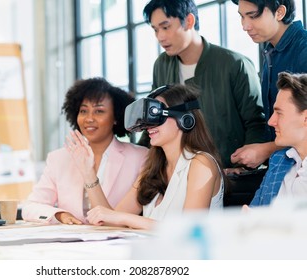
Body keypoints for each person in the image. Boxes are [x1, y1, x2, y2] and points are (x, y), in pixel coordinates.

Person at [67, 84, 224, 230]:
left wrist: (125, 219)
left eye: (155, 115)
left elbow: (189, 231)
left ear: (184, 119)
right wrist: (88, 173)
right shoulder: (152, 169)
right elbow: (109, 221)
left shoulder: (201, 164)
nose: (149, 125)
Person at [141, 0, 266, 172]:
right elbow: (153, 118)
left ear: (189, 21)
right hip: (175, 173)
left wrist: (242, 167)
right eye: (155, 30)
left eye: (166, 27)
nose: (160, 37)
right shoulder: (161, 65)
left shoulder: (235, 65)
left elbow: (256, 124)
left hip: (227, 174)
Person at [21, 77, 148, 224]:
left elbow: (117, 221)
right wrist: (60, 215)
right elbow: (30, 207)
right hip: (70, 243)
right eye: (83, 111)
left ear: (116, 117)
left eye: (99, 111)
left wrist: (89, 174)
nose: (89, 118)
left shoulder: (140, 157)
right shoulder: (59, 158)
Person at [231, 0, 307, 169]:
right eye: (242, 17)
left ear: (279, 12)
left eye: (252, 16)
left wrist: (267, 150)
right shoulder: (272, 51)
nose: (245, 26)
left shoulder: (303, 50)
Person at [249, 72, 307, 206]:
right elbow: (254, 210)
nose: (270, 121)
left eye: (279, 113)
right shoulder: (278, 160)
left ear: (305, 118)